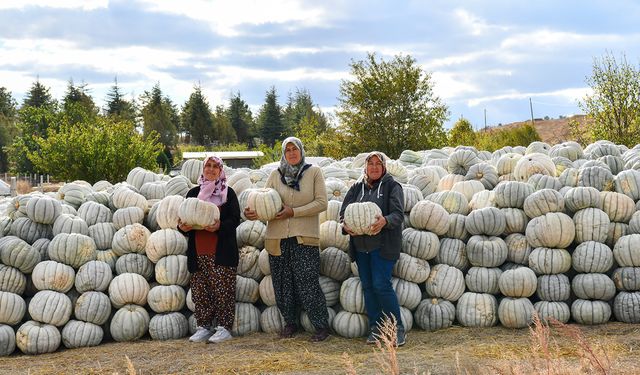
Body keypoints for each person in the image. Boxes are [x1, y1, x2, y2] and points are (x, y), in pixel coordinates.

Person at [244, 137, 330, 342]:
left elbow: (322, 203)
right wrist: (253, 213)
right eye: (288, 150)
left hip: (304, 237)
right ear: (283, 154)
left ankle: (320, 326)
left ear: (301, 151)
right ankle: (291, 323)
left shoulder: (314, 172)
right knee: (283, 285)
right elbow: (264, 203)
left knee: (307, 282)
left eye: (295, 149)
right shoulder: (275, 175)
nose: (291, 153)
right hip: (277, 238)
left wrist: (294, 212)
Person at [339, 151, 406, 346]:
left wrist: (385, 220)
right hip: (361, 247)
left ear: (384, 166)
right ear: (365, 167)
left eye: (378, 163)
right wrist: (345, 226)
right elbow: (343, 214)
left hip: (383, 247)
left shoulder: (393, 186)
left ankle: (397, 329)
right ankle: (376, 329)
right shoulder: (355, 188)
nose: (374, 167)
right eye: (371, 164)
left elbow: (398, 214)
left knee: (381, 285)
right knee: (368, 288)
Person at [178, 156, 240, 344]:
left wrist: (220, 226)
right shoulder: (193, 193)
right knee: (200, 291)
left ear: (221, 170)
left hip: (221, 252)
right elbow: (182, 221)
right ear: (203, 169)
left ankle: (224, 328)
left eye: (215, 167)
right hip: (198, 252)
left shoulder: (228, 193)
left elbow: (235, 220)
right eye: (208, 166)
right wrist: (182, 227)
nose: (211, 169)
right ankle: (204, 326)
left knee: (223, 291)